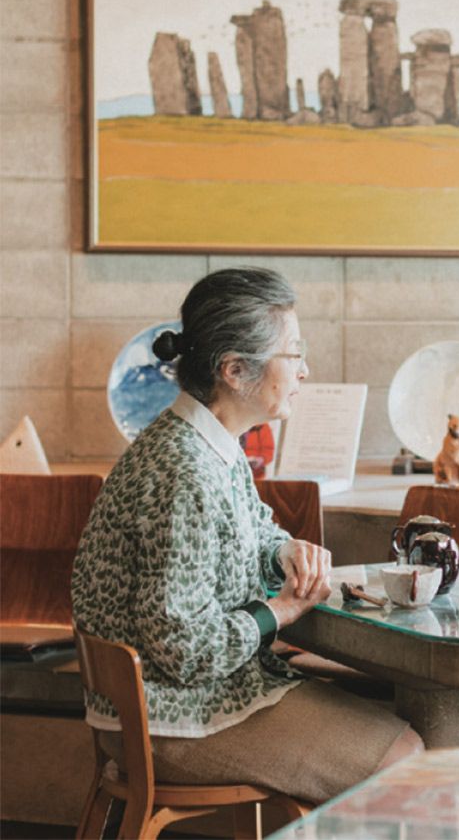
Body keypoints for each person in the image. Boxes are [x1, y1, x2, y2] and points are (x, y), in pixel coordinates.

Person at [71, 267, 423, 803]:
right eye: (294, 353)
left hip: (179, 701)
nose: (306, 370)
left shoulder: (207, 442)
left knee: (399, 735)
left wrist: (285, 549)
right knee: (407, 758)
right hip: (172, 720)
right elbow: (184, 649)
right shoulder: (184, 472)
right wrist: (280, 612)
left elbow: (252, 527)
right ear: (234, 370)